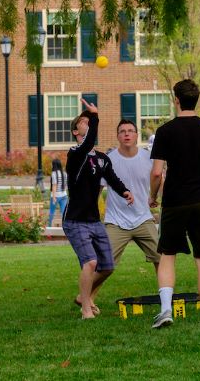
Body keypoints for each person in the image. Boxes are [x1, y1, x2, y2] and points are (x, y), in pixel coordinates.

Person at [149, 79, 200, 329]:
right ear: (196, 99)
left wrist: (152, 196)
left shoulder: (165, 131)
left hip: (174, 201)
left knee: (167, 255)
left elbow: (157, 172)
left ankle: (166, 310)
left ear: (177, 100)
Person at [63, 98, 134, 319]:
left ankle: (82, 296)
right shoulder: (75, 154)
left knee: (107, 266)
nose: (88, 123)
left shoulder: (102, 159)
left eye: (89, 121)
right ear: (76, 132)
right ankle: (86, 308)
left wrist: (124, 191)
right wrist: (94, 116)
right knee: (91, 262)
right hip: (75, 220)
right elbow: (87, 144)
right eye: (83, 122)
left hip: (94, 220)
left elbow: (111, 178)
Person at [102, 119, 161, 273]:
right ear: (117, 136)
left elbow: (159, 179)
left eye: (130, 131)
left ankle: (166, 290)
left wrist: (155, 197)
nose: (126, 134)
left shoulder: (148, 158)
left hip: (143, 219)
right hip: (115, 221)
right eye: (122, 131)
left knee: (161, 260)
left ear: (136, 135)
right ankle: (88, 290)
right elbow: (97, 189)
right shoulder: (108, 160)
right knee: (104, 266)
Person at [48, 158, 68, 227]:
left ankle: (49, 226)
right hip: (64, 195)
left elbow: (54, 185)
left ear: (54, 165)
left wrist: (54, 197)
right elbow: (66, 185)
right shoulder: (64, 173)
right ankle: (65, 227)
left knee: (52, 212)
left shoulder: (54, 174)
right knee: (63, 212)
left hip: (55, 196)